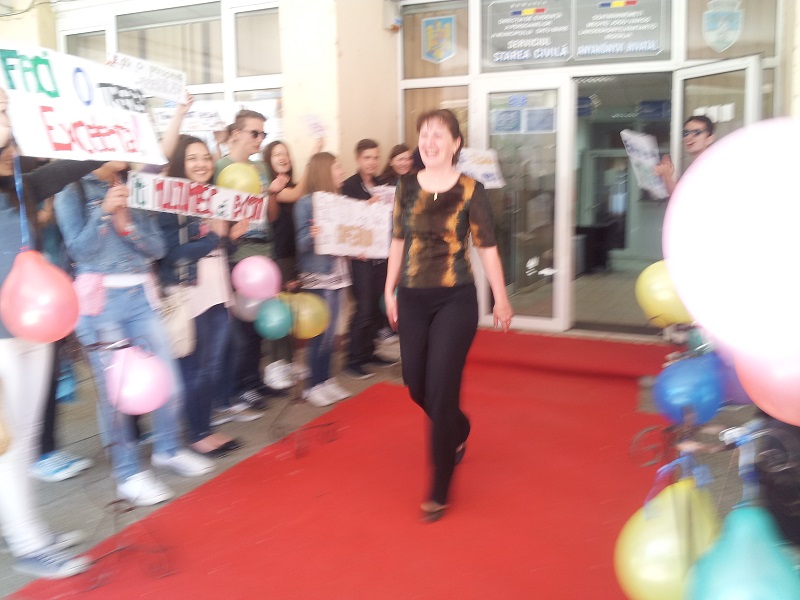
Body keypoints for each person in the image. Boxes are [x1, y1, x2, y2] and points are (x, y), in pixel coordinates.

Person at [55, 161, 215, 508]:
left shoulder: (137, 186)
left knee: (169, 383)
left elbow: (158, 248)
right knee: (115, 394)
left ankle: (168, 449)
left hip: (142, 296)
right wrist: (104, 213)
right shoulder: (72, 189)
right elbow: (78, 252)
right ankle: (127, 473)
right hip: (100, 302)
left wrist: (129, 229)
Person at [384, 109, 514, 523]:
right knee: (416, 384)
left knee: (442, 388)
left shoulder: (471, 189)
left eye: (438, 134)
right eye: (424, 134)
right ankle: (458, 428)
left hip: (455, 299)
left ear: (456, 143)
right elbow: (397, 240)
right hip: (412, 296)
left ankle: (439, 488)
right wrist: (389, 289)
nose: (429, 141)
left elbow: (487, 247)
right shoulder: (406, 186)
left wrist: (500, 298)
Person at [0, 102, 102, 578]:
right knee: (10, 442)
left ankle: (25, 530)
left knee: (24, 439)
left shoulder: (24, 182)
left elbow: (77, 162)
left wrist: (102, 110)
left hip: (35, 326)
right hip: (2, 337)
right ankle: (28, 541)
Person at [158, 133, 250, 457]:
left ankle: (205, 427)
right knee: (195, 367)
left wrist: (231, 237)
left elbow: (218, 249)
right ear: (179, 163)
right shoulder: (170, 201)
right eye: (193, 158)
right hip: (189, 294)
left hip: (216, 291)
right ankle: (196, 433)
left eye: (205, 157)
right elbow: (169, 254)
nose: (201, 164)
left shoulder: (213, 197)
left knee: (212, 365)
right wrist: (214, 237)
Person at [215, 110, 288, 411]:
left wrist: (271, 195)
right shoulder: (220, 167)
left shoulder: (260, 168)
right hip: (237, 256)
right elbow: (214, 215)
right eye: (254, 133)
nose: (260, 139)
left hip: (263, 253)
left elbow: (271, 216)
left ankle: (255, 381)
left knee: (259, 325)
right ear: (236, 134)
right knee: (240, 330)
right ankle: (239, 388)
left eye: (263, 134)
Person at [293, 152, 353, 406]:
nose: (341, 172)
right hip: (318, 275)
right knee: (320, 332)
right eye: (337, 168)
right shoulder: (305, 203)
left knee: (331, 333)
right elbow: (301, 242)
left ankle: (326, 380)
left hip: (338, 272)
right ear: (324, 171)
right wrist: (316, 233)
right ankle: (312, 385)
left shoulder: (339, 202)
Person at [341, 139, 396, 380]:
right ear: (357, 159)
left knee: (375, 308)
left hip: (382, 253)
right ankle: (352, 359)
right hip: (360, 256)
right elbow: (344, 219)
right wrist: (367, 205)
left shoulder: (383, 183)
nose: (372, 162)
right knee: (363, 309)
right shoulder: (349, 186)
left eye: (375, 157)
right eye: (367, 157)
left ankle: (369, 352)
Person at [261, 140, 300, 390]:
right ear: (268, 159)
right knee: (278, 314)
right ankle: (274, 366)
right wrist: (273, 192)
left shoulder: (294, 186)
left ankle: (288, 362)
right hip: (276, 256)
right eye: (277, 154)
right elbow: (272, 217)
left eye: (285, 153)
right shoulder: (268, 187)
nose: (283, 157)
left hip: (295, 256)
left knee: (291, 312)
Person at [654, 115, 716, 196]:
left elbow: (682, 197)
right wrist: (667, 175)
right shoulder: (697, 164)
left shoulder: (710, 166)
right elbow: (679, 192)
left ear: (709, 139)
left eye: (697, 133)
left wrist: (667, 175)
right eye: (685, 133)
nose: (688, 137)